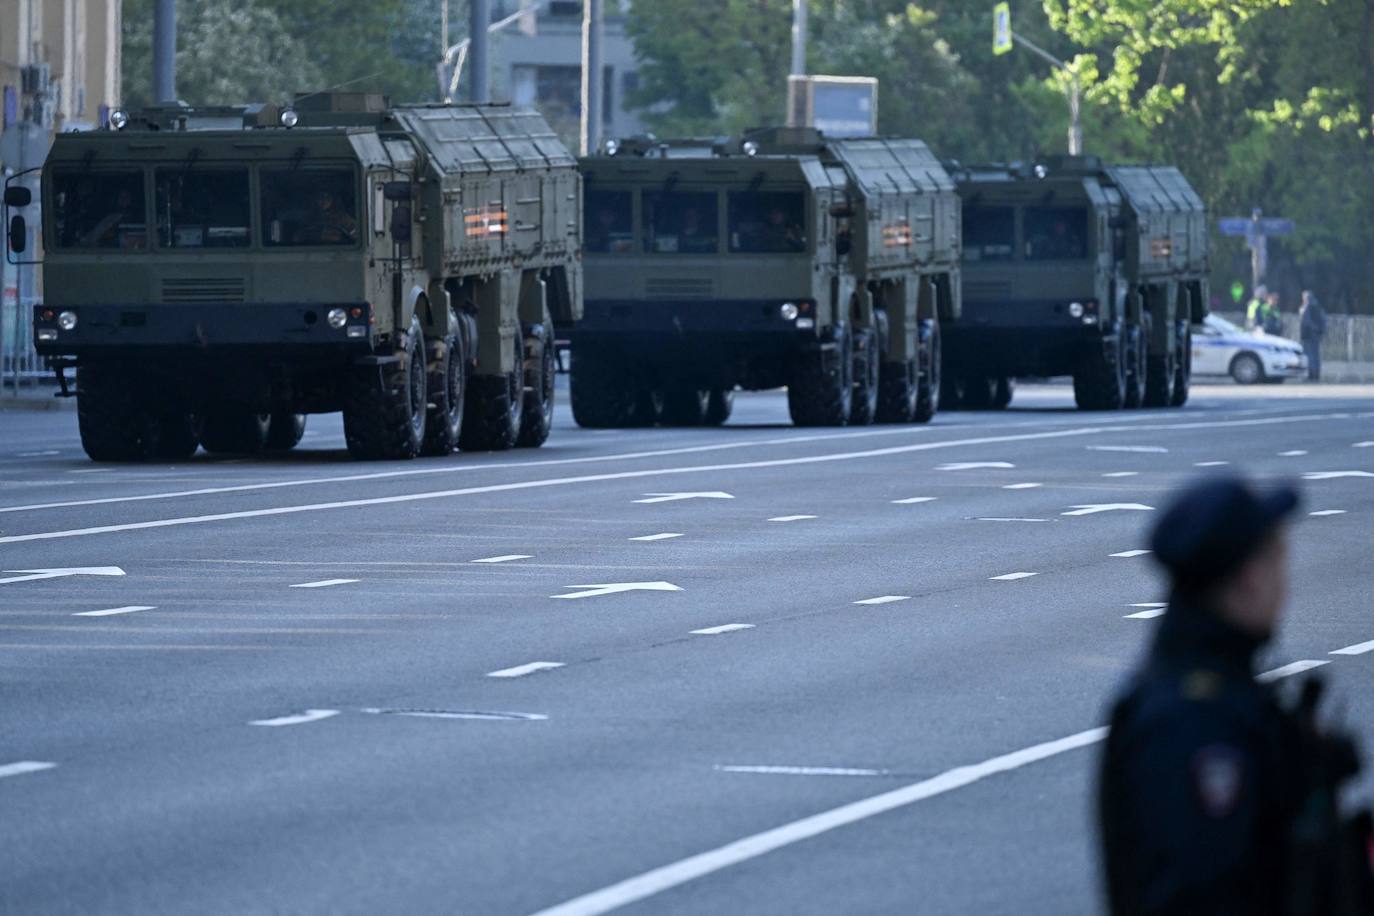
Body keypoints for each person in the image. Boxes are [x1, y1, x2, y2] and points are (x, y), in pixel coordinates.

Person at [1098, 475, 1374, 916]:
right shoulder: (1195, 723)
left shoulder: (1227, 691)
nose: (1284, 582)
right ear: (1248, 578)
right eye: (1278, 560)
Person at [1300, 291, 1327, 381]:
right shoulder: (1318, 307)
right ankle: (1317, 374)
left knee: (1309, 355)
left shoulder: (1307, 307)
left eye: (1303, 298)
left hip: (1308, 335)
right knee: (1316, 355)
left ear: (1306, 298)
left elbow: (1306, 322)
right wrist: (1320, 331)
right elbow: (1324, 320)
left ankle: (1311, 375)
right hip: (1317, 335)